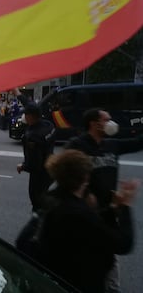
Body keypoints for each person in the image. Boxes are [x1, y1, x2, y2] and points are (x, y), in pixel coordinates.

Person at [65, 108, 143, 292]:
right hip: (84, 214)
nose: (111, 123)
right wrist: (83, 196)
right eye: (106, 119)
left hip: (108, 213)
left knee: (110, 269)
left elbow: (139, 142)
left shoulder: (112, 145)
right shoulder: (77, 145)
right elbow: (63, 173)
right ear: (94, 123)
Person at [38, 149, 137, 293]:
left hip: (55, 276)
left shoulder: (52, 198)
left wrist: (112, 209)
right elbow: (123, 244)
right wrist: (125, 206)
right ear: (85, 177)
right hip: (79, 282)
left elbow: (88, 227)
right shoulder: (77, 212)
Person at [13, 88, 55, 212]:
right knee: (44, 197)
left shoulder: (32, 137)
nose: (24, 116)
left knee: (37, 201)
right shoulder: (48, 125)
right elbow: (32, 107)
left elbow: (34, 162)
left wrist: (23, 166)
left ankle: (39, 221)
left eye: (25, 114)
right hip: (50, 169)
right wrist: (18, 94)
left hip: (39, 175)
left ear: (30, 116)